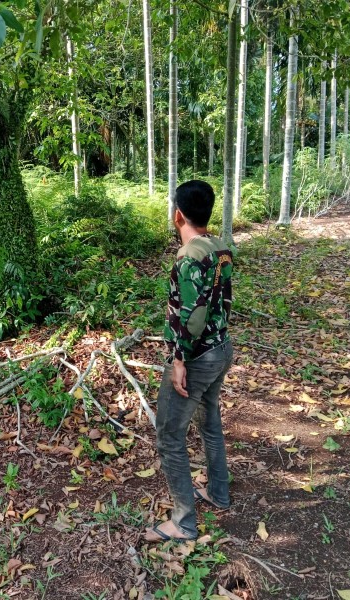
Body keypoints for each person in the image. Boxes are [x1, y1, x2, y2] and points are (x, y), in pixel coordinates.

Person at [145, 180, 234, 543]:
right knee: (209, 421)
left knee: (169, 435)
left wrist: (179, 359)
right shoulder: (220, 248)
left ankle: (183, 523)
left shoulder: (188, 257)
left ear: (177, 214)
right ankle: (218, 492)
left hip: (197, 357)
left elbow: (193, 315)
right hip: (221, 350)